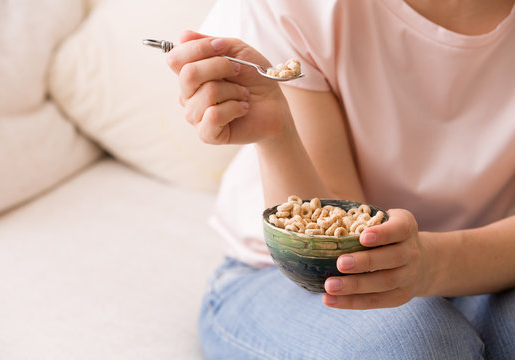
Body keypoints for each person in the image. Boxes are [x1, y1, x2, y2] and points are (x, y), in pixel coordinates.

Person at [166, 0, 515, 358]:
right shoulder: (299, 7)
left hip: (483, 265)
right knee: (418, 345)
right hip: (288, 275)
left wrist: (432, 264)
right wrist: (278, 135)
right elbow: (333, 257)